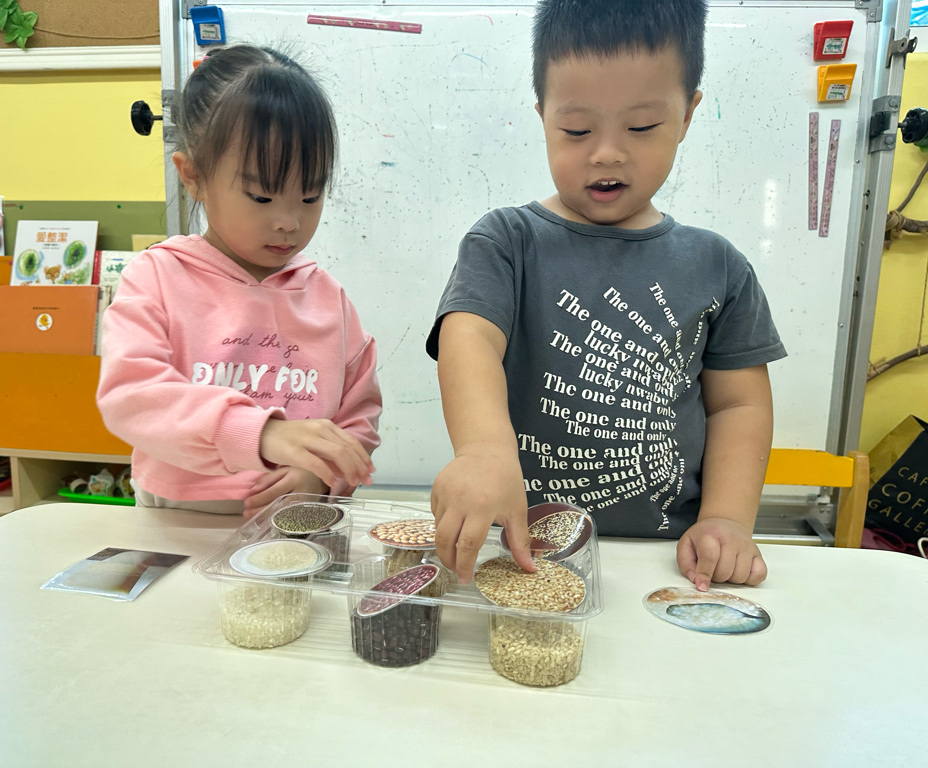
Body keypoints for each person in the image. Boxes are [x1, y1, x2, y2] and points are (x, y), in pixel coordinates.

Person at [426, 0, 786, 587]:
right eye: (576, 130)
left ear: (687, 115)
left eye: (641, 127)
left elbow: (738, 406)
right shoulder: (506, 240)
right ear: (543, 117)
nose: (607, 152)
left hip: (667, 561)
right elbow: (468, 339)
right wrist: (484, 451)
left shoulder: (719, 266)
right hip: (521, 552)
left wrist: (726, 519)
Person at [98, 45, 382, 515]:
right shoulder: (158, 277)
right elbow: (132, 396)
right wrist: (260, 433)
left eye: (310, 196)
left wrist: (322, 474)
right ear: (193, 176)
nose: (289, 221)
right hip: (178, 523)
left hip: (292, 526)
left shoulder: (328, 299)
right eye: (261, 197)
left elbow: (359, 419)